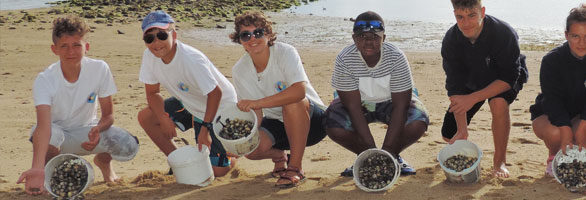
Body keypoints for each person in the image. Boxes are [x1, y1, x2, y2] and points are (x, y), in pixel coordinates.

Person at [17, 15, 139, 195]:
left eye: (76, 45)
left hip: (88, 132)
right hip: (57, 135)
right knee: (48, 135)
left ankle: (104, 163)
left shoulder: (99, 69)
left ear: (86, 47)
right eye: (64, 46)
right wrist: (36, 168)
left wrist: (99, 128)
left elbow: (108, 116)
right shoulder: (45, 80)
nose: (71, 52)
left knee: (128, 145)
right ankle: (47, 171)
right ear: (54, 49)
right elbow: (43, 127)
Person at [228, 11, 327, 187]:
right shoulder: (240, 70)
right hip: (277, 122)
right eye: (245, 35)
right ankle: (279, 156)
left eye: (258, 33)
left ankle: (295, 168)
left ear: (268, 34)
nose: (253, 39)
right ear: (240, 40)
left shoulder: (285, 52)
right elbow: (255, 112)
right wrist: (243, 141)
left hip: (313, 122)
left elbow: (298, 92)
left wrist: (258, 102)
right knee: (249, 149)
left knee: (291, 102)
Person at [325, 11, 429, 177]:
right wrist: (371, 154)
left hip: (391, 103)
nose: (368, 41)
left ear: (384, 38)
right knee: (333, 123)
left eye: (374, 36)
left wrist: (387, 151)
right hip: (359, 105)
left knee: (417, 120)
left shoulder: (396, 57)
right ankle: (364, 158)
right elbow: (353, 107)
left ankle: (393, 157)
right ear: (354, 39)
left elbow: (401, 106)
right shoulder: (345, 59)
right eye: (362, 36)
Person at [135, 11, 239, 177]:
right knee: (146, 117)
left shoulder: (191, 59)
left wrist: (205, 129)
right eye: (149, 38)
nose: (156, 43)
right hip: (189, 102)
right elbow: (153, 93)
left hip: (220, 108)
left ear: (174, 35)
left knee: (217, 172)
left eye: (162, 35)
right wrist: (163, 117)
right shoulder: (150, 55)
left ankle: (231, 154)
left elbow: (216, 94)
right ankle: (178, 161)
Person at [441, 0, 528, 178]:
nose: (466, 23)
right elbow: (455, 89)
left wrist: (473, 98)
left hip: (502, 78)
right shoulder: (451, 40)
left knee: (498, 103)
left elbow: (509, 78)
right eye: (460, 17)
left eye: (472, 15)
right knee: (449, 134)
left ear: (482, 11)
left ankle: (499, 162)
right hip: (472, 80)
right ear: (454, 15)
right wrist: (462, 129)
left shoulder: (504, 33)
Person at [528, 3, 586, 179]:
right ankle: (554, 156)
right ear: (566, 35)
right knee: (556, 133)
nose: (582, 43)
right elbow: (552, 100)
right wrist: (566, 130)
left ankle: (580, 155)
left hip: (582, 115)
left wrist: (581, 130)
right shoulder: (551, 60)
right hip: (549, 115)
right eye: (575, 36)